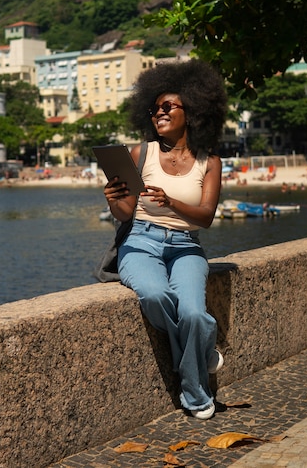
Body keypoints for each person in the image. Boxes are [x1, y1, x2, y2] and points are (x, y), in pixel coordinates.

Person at [103, 59, 228, 420]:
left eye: (168, 106)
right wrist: (113, 198)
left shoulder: (211, 161)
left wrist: (170, 200)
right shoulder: (142, 153)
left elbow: (205, 217)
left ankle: (193, 387)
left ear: (193, 112)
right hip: (141, 242)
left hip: (186, 246)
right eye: (154, 108)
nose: (159, 112)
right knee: (157, 295)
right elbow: (125, 213)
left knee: (193, 312)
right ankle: (200, 364)